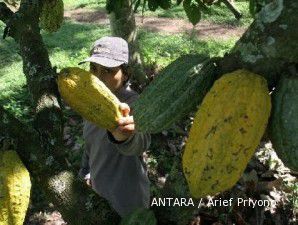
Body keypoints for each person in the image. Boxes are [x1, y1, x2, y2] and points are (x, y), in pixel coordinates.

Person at [78, 36, 151, 217]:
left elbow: (141, 142)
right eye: (93, 69)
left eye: (108, 70)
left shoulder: (133, 104)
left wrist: (125, 137)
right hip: (99, 195)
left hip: (128, 204)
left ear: (125, 73)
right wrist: (85, 173)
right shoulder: (91, 103)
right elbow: (90, 145)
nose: (98, 78)